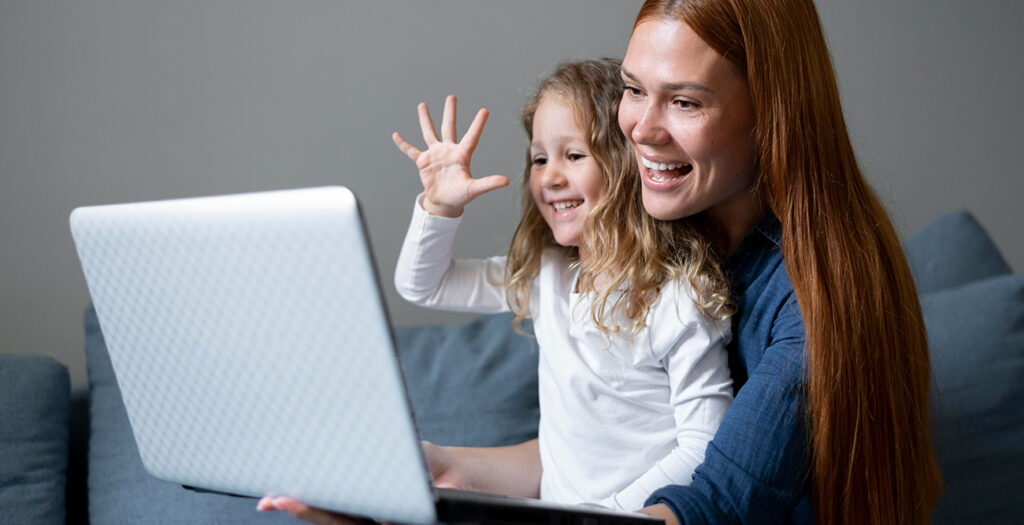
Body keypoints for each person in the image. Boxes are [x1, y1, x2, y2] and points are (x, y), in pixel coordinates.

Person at [261, 0, 943, 523]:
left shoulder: (808, 302)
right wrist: (435, 476)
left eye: (684, 100)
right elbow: (614, 445)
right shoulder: (668, 234)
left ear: (772, 117)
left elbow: (705, 503)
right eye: (632, 89)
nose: (640, 128)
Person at [402, 58, 737, 511]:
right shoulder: (547, 276)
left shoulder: (677, 298)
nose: (550, 176)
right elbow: (426, 286)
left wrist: (608, 516)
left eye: (573, 155)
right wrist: (439, 206)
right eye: (539, 159)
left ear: (624, 164)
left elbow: (704, 445)